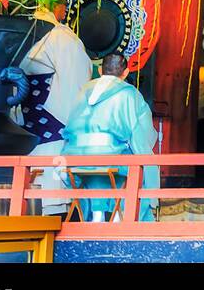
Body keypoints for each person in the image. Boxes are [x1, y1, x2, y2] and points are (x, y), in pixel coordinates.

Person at [62, 53, 159, 221]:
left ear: (100, 70)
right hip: (111, 154)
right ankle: (119, 215)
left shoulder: (84, 91)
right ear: (126, 72)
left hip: (75, 156)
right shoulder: (129, 93)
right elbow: (141, 134)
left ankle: (97, 213)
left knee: (95, 167)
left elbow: (70, 126)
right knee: (140, 166)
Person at [18, 4, 94, 215]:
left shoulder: (16, 32)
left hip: (23, 134)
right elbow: (77, 90)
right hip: (54, 138)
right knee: (57, 206)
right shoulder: (61, 38)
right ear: (56, 5)